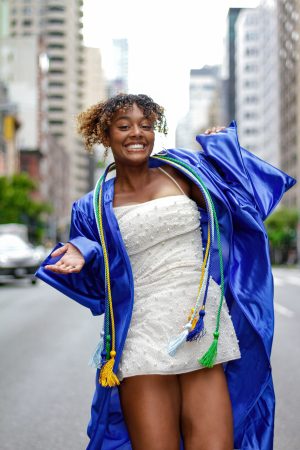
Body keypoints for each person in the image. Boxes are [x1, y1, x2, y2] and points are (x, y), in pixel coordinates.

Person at [36, 93, 296, 450]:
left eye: (145, 125)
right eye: (124, 126)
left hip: (201, 327)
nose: (136, 133)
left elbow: (242, 199)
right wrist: (83, 250)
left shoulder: (184, 173)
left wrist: (221, 148)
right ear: (105, 134)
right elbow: (100, 284)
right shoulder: (91, 206)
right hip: (142, 334)